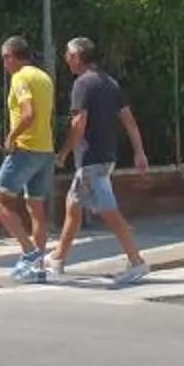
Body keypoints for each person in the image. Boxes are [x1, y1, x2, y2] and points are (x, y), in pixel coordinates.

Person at [50, 36, 152, 287]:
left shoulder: (82, 85)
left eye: (67, 55)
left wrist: (64, 152)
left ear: (76, 57)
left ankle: (136, 261)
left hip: (91, 159)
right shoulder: (110, 83)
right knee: (73, 207)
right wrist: (139, 152)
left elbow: (78, 123)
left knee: (108, 211)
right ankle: (57, 259)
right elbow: (128, 120)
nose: (65, 59)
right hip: (106, 157)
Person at [0, 36, 56, 282]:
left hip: (25, 149)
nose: (4, 65)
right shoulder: (44, 78)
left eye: (4, 59)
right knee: (36, 208)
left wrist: (11, 136)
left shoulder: (20, 78)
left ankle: (28, 252)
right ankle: (38, 269)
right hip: (45, 150)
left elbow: (28, 113)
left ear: (11, 57)